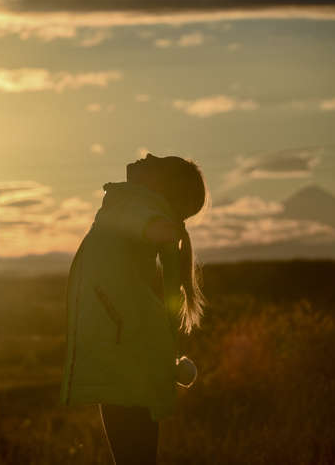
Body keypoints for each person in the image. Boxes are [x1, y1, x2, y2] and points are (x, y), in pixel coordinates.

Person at [60, 153, 208, 465]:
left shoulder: (136, 205)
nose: (148, 156)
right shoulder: (131, 202)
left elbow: (142, 222)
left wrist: (160, 229)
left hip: (124, 352)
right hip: (125, 348)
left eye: (159, 161)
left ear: (162, 187)